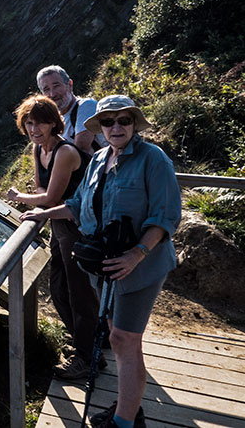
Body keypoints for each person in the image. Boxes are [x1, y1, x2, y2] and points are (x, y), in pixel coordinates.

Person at [20, 95, 182, 428]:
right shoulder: (97, 161)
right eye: (108, 122)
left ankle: (125, 421)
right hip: (106, 268)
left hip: (141, 267)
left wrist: (136, 255)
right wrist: (44, 213)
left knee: (123, 338)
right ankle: (129, 406)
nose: (116, 127)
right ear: (100, 128)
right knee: (119, 337)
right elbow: (78, 205)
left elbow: (165, 217)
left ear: (135, 123)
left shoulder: (153, 159)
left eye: (124, 120)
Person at [6, 95, 100, 380]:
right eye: (30, 123)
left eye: (42, 123)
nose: (35, 129)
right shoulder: (39, 150)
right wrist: (36, 203)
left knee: (78, 292)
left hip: (78, 225)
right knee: (59, 288)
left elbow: (51, 197)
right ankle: (91, 343)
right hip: (59, 224)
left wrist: (17, 197)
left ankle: (88, 359)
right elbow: (41, 187)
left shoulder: (65, 152)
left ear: (53, 123)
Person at [36, 65, 105, 154]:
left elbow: (82, 149)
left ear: (69, 85)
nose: (52, 94)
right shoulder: (54, 123)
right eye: (46, 89)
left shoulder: (86, 106)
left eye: (56, 86)